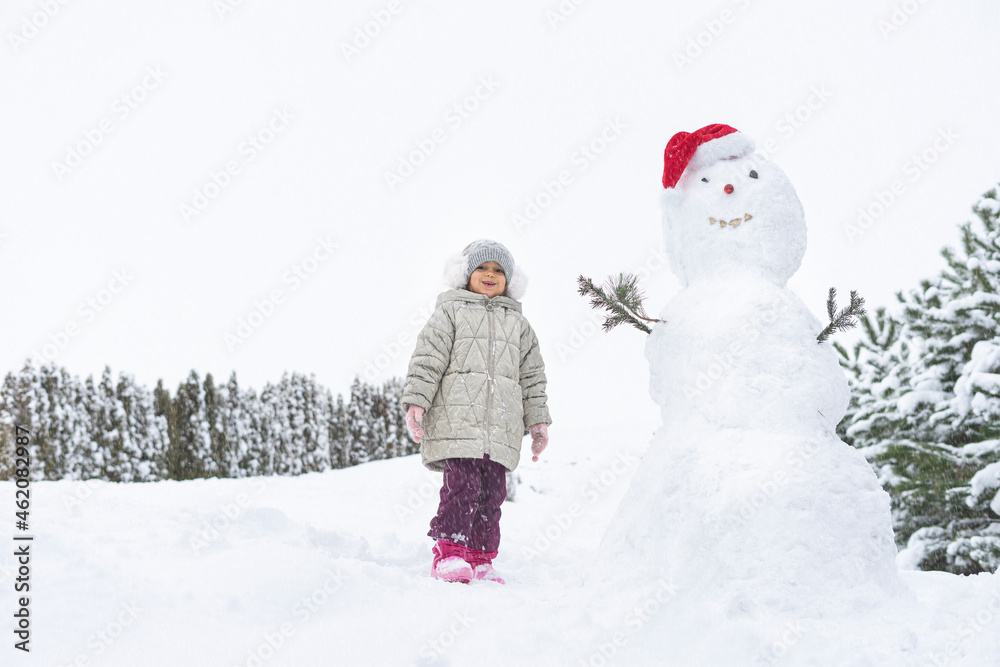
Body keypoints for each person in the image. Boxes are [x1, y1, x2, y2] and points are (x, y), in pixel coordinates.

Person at [402, 239, 551, 584]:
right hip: (458, 423)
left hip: (500, 427)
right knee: (462, 487)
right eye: (482, 268)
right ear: (466, 274)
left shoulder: (520, 326)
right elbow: (428, 360)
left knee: (492, 494)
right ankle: (450, 551)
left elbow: (532, 377)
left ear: (509, 281)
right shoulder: (450, 312)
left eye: (498, 270)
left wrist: (539, 421)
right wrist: (417, 402)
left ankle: (481, 556)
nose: (489, 274)